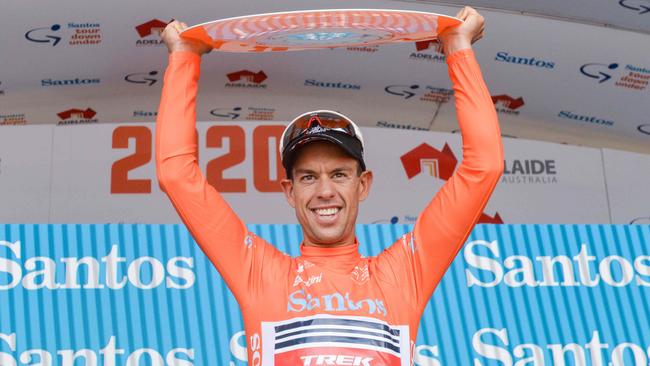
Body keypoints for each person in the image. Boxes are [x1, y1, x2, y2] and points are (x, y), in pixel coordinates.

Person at [156, 6, 502, 365]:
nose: (325, 191)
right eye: (308, 177)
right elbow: (176, 174)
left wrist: (459, 48)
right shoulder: (259, 273)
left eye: (339, 174)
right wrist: (183, 58)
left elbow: (484, 166)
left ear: (362, 184)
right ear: (289, 191)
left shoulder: (403, 274)